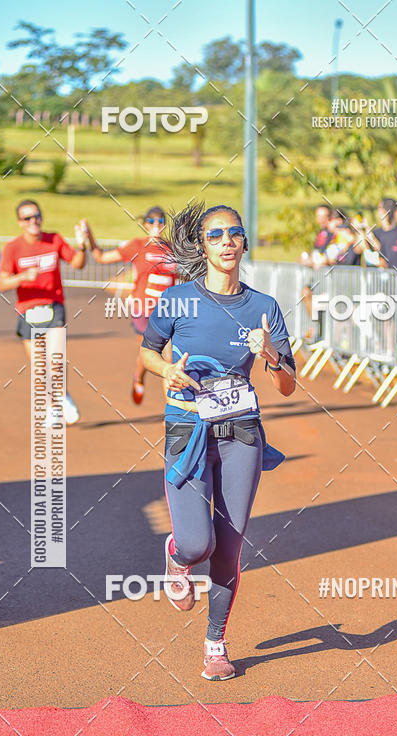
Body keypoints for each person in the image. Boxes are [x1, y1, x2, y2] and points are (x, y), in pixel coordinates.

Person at [139, 201, 296, 681]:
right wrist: (169, 370)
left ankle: (215, 644)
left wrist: (270, 354)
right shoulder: (177, 300)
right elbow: (146, 354)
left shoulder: (264, 307)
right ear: (202, 246)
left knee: (228, 548)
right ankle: (176, 557)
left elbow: (288, 383)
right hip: (187, 428)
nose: (227, 241)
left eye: (235, 233)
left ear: (244, 242)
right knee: (196, 542)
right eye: (216, 235)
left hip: (241, 432)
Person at [0, 200, 86, 424]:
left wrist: (82, 245)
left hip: (53, 305)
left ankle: (63, 395)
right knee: (39, 365)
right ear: (20, 222)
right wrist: (22, 277)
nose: (33, 221)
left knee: (55, 359)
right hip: (28, 310)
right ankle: (51, 407)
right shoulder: (12, 248)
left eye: (36, 216)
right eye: (27, 218)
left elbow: (78, 263)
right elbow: (2, 283)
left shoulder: (54, 239)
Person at [84, 207, 178, 404]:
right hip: (143, 309)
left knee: (169, 358)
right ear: (145, 225)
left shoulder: (173, 249)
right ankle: (139, 377)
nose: (156, 226)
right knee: (148, 353)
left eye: (160, 221)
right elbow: (101, 257)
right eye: (151, 222)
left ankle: (171, 413)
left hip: (166, 313)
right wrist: (89, 236)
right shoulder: (137, 246)